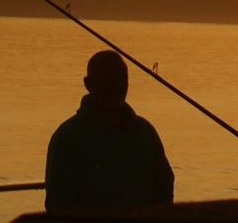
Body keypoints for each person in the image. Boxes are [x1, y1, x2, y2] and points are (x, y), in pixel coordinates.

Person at [45, 50, 174, 213]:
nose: (116, 85)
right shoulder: (68, 137)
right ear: (88, 84)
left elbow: (164, 184)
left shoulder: (145, 132)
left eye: (122, 78)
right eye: (108, 78)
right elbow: (58, 203)